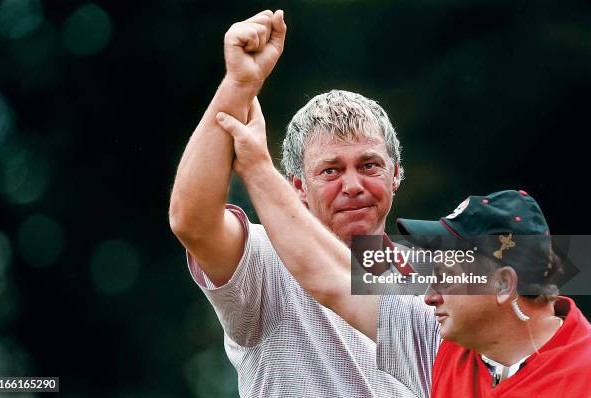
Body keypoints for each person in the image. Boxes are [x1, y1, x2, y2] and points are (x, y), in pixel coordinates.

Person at [215, 90, 591, 396]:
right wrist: (255, 162)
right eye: (331, 170)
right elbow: (331, 278)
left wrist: (257, 166)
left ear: (503, 284)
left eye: (448, 272)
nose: (429, 293)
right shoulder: (445, 353)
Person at [169, 10, 422, 397]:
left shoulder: (436, 268)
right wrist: (238, 85)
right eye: (331, 171)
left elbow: (536, 275)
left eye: (369, 165)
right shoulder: (266, 259)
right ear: (298, 186)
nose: (353, 185)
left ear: (396, 174)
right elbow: (192, 221)